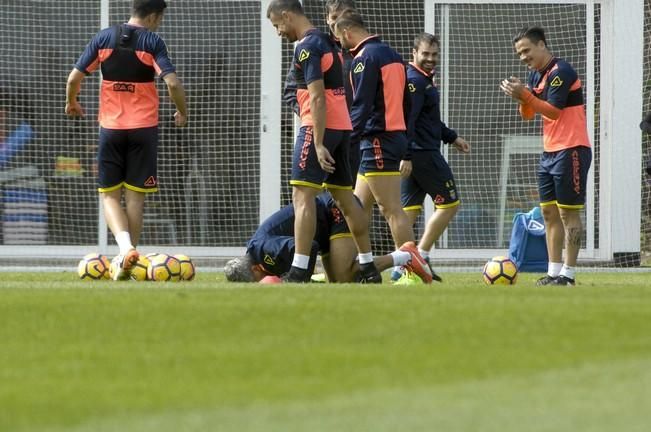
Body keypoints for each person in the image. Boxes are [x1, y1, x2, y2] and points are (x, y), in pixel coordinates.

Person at [267, 0, 398, 284]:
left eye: (277, 25)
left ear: (287, 16)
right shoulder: (330, 41)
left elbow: (316, 96)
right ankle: (367, 264)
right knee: (345, 198)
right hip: (343, 128)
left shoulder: (306, 46)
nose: (278, 32)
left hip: (320, 128)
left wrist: (317, 142)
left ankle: (299, 270)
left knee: (302, 196)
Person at [65, 0, 188, 280]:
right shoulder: (152, 41)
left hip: (111, 129)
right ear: (155, 16)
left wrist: (72, 102)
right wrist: (182, 111)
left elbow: (74, 78)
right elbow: (172, 83)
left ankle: (124, 250)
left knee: (109, 195)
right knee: (136, 198)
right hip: (144, 130)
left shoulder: (103, 38)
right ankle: (127, 259)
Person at [332, 12, 433, 284]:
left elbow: (361, 107)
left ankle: (412, 270)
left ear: (348, 32)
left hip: (377, 139)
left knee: (391, 209)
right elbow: (407, 104)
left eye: (338, 34)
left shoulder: (364, 58)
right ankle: (352, 268)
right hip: (391, 137)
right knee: (357, 206)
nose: (338, 40)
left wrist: (344, 142)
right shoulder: (394, 56)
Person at [500, 26, 591, 286]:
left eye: (526, 50)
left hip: (571, 149)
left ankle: (569, 275)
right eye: (519, 53)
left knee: (568, 214)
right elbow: (527, 115)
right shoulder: (535, 76)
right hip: (550, 152)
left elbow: (552, 111)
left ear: (541, 45)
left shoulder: (561, 71)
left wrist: (525, 95)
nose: (523, 57)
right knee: (549, 213)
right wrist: (521, 97)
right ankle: (553, 273)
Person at [392, 33, 471, 282]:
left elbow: (430, 120)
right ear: (413, 53)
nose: (430, 59)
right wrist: (406, 155)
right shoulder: (415, 81)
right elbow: (408, 120)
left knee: (409, 212)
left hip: (415, 153)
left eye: (434, 55)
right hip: (422, 154)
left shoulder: (422, 79)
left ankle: (399, 266)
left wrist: (451, 137)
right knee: (450, 204)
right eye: (425, 54)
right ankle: (421, 257)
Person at [224, 193, 426, 283]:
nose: (259, 284)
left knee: (344, 276)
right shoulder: (261, 260)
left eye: (255, 281)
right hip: (323, 230)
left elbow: (307, 247)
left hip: (333, 211)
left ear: (254, 269)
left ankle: (406, 256)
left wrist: (299, 278)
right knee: (338, 282)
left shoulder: (264, 249)